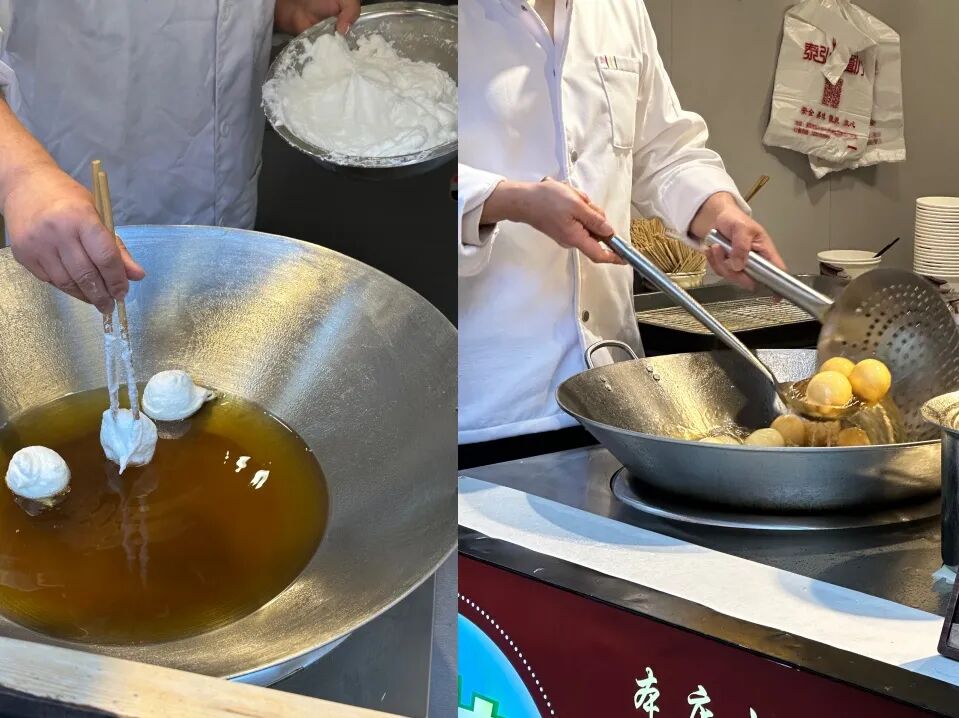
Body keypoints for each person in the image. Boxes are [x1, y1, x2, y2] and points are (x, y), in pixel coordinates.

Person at [458, 0, 786, 458]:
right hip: (492, 410)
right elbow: (403, 185)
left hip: (616, 395)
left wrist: (720, 211)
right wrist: (511, 201)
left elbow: (663, 152)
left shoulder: (618, 8)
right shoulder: (446, 19)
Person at [0, 0, 360, 314]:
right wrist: (20, 177)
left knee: (219, 328)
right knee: (86, 342)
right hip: (68, 183)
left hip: (230, 178)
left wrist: (278, 5)